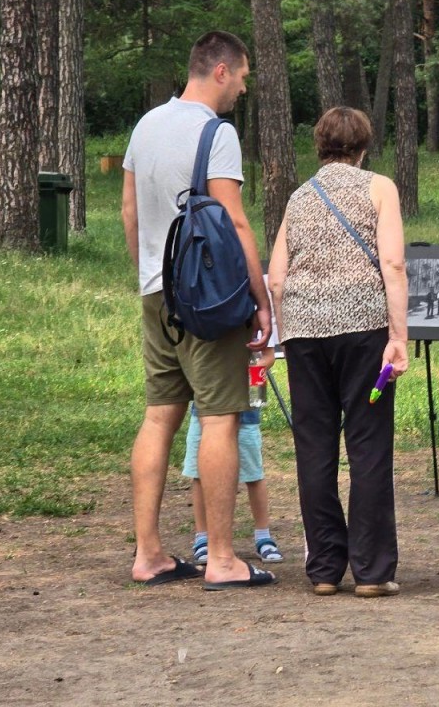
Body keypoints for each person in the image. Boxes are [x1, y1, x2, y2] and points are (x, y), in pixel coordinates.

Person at [121, 31, 276, 590]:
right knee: (220, 419)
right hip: (207, 299)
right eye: (241, 75)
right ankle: (224, 559)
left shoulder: (145, 125)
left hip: (155, 291)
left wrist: (149, 277)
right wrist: (261, 300)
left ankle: (149, 554)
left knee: (159, 415)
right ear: (219, 71)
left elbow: (130, 212)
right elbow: (233, 222)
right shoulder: (217, 132)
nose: (242, 86)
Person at [268, 106, 409, 598]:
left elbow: (278, 276)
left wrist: (287, 335)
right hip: (365, 330)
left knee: (315, 447)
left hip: (305, 334)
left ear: (320, 145)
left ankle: (325, 567)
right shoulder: (379, 187)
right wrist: (399, 336)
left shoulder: (299, 197)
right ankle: (371, 571)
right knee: (368, 445)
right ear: (364, 145)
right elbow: (391, 261)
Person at [183, 346, 283, 566]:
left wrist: (253, 368)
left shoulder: (251, 319)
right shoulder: (200, 317)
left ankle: (263, 536)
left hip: (246, 410)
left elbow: (267, 355)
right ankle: (202, 538)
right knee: (200, 475)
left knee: (254, 475)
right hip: (204, 410)